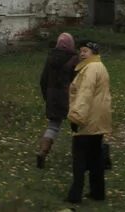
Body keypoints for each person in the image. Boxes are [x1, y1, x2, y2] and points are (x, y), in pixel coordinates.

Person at [66, 40, 112, 204]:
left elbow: (84, 94)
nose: (82, 53)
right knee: (95, 158)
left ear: (93, 53)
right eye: (81, 51)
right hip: (98, 119)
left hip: (87, 120)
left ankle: (75, 195)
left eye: (85, 51)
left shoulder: (90, 69)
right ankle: (98, 192)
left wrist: (76, 117)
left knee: (79, 159)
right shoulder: (100, 66)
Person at [36, 31, 78, 168]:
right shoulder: (74, 59)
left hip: (53, 97)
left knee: (53, 126)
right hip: (69, 97)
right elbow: (77, 81)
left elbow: (43, 80)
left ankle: (43, 151)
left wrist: (47, 97)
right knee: (77, 127)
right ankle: (78, 156)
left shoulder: (50, 58)